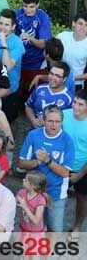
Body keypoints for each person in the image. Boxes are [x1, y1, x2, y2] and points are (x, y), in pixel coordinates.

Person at [18, 105, 75, 233]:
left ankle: (50, 253)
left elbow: (66, 173)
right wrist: (36, 162)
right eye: (50, 121)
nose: (54, 125)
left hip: (56, 193)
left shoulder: (67, 141)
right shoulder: (33, 135)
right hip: (34, 192)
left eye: (57, 122)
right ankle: (34, 251)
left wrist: (47, 160)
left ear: (62, 122)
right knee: (33, 226)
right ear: (43, 120)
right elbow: (21, 163)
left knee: (54, 229)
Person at [0, 9, 25, 122]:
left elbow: (7, 67)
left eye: (6, 24)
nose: (2, 27)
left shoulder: (17, 43)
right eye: (0, 23)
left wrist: (4, 44)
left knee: (7, 121)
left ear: (13, 26)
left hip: (9, 88)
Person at [63, 90, 87, 237]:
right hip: (61, 166)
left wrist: (79, 175)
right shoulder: (63, 115)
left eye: (80, 104)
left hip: (83, 168)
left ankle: (77, 226)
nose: (75, 107)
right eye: (74, 102)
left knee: (82, 198)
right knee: (53, 196)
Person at [25, 62, 73, 128]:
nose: (53, 78)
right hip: (35, 131)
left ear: (64, 79)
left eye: (57, 76)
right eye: (51, 74)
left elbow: (70, 121)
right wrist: (33, 120)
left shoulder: (69, 98)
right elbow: (28, 106)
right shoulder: (40, 88)